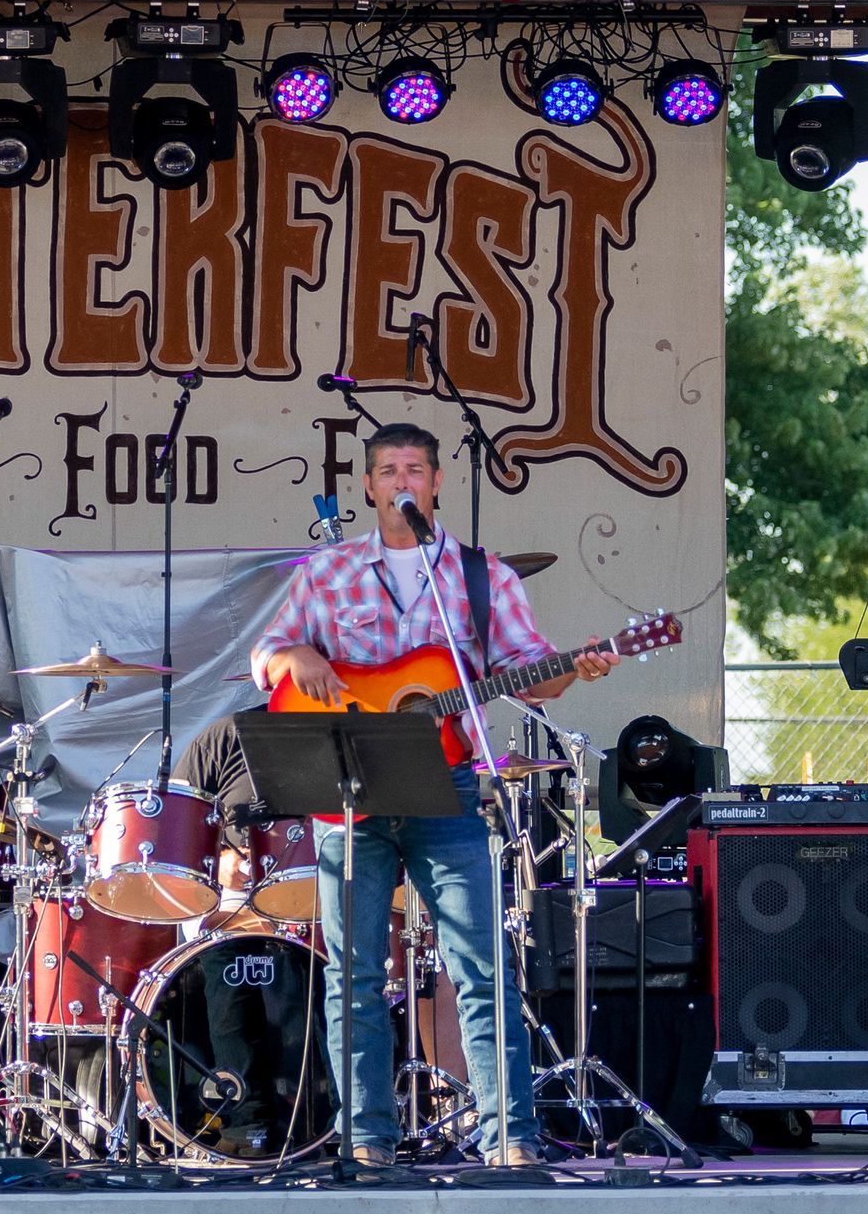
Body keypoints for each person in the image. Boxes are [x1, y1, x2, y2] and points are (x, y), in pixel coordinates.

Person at [250, 422, 618, 1168]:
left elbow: (529, 671)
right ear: (368, 486)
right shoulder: (329, 573)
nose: (402, 482)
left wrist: (575, 668)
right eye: (388, 470)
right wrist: (297, 653)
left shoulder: (481, 579)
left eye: (415, 469)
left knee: (480, 965)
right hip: (349, 788)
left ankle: (508, 1136)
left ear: (437, 481)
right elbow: (267, 652)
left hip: (447, 786)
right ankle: (366, 1139)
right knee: (353, 973)